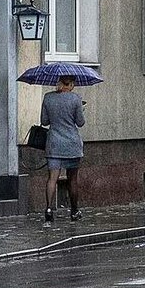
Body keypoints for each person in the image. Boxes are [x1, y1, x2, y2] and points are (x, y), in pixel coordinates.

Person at [38, 82, 87, 222]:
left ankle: (48, 209)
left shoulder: (48, 97)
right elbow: (80, 122)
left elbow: (44, 121)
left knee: (52, 178)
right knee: (72, 179)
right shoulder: (76, 99)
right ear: (71, 84)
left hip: (54, 143)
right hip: (71, 145)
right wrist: (81, 110)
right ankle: (74, 211)